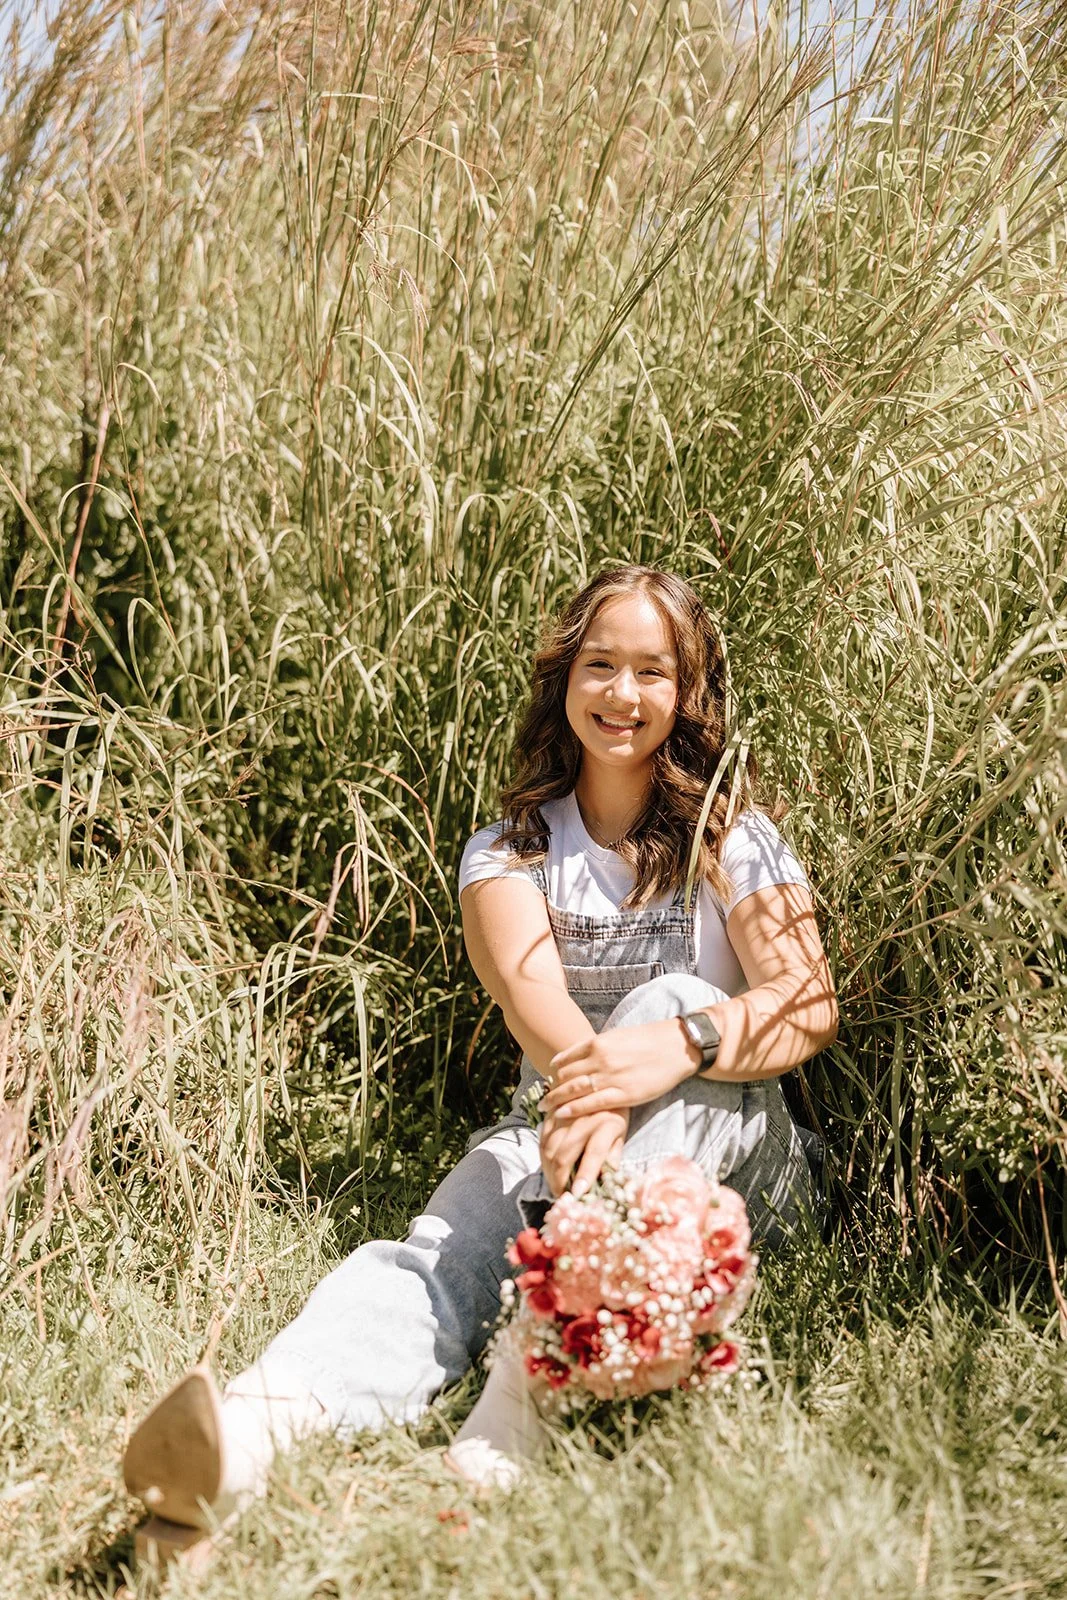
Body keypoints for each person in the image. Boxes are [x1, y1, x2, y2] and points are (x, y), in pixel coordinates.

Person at [122, 564, 838, 1565]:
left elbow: (805, 1004)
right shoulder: (507, 852)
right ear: (563, 679)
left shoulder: (737, 836)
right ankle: (246, 1436)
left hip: (733, 1175)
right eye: (599, 665)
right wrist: (594, 1089)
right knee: (441, 1249)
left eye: (650, 671)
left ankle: (525, 1387)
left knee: (673, 997)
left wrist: (667, 1045)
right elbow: (535, 1007)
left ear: (686, 692)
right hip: (553, 1132)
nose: (621, 695)